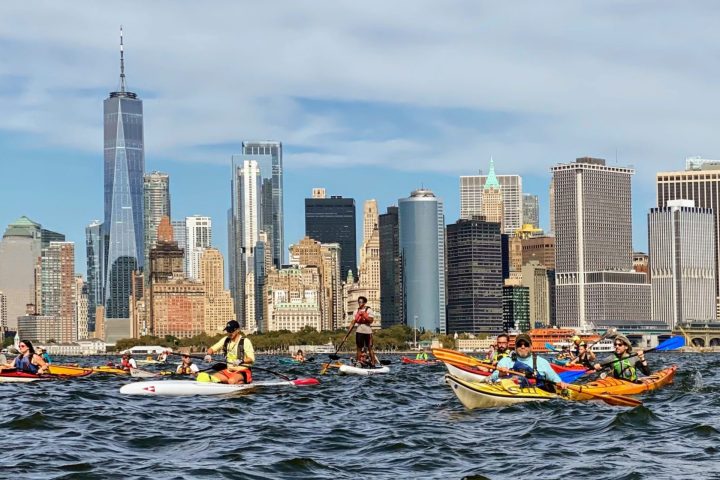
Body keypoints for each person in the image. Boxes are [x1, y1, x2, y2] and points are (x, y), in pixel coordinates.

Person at [491, 334, 568, 393]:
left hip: (536, 398)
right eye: (519, 345)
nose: (523, 347)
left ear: (531, 347)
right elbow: (492, 378)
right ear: (515, 347)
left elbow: (555, 379)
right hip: (511, 393)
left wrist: (561, 384)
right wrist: (500, 374)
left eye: (526, 344)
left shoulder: (542, 362)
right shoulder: (505, 361)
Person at [202, 320, 255, 384]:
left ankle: (241, 382)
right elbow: (211, 349)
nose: (229, 333)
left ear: (237, 330)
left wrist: (241, 361)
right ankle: (232, 382)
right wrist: (208, 355)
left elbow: (251, 359)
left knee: (231, 381)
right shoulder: (226, 340)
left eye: (231, 331)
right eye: (228, 331)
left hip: (243, 371)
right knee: (211, 378)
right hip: (229, 371)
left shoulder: (245, 341)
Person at [353, 296, 377, 365]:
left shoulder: (369, 310)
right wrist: (347, 332)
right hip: (359, 331)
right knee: (359, 348)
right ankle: (358, 363)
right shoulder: (356, 311)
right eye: (359, 302)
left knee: (369, 347)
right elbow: (353, 322)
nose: (360, 303)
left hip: (368, 331)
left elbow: (371, 321)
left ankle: (373, 363)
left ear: (365, 303)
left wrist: (364, 315)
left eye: (361, 302)